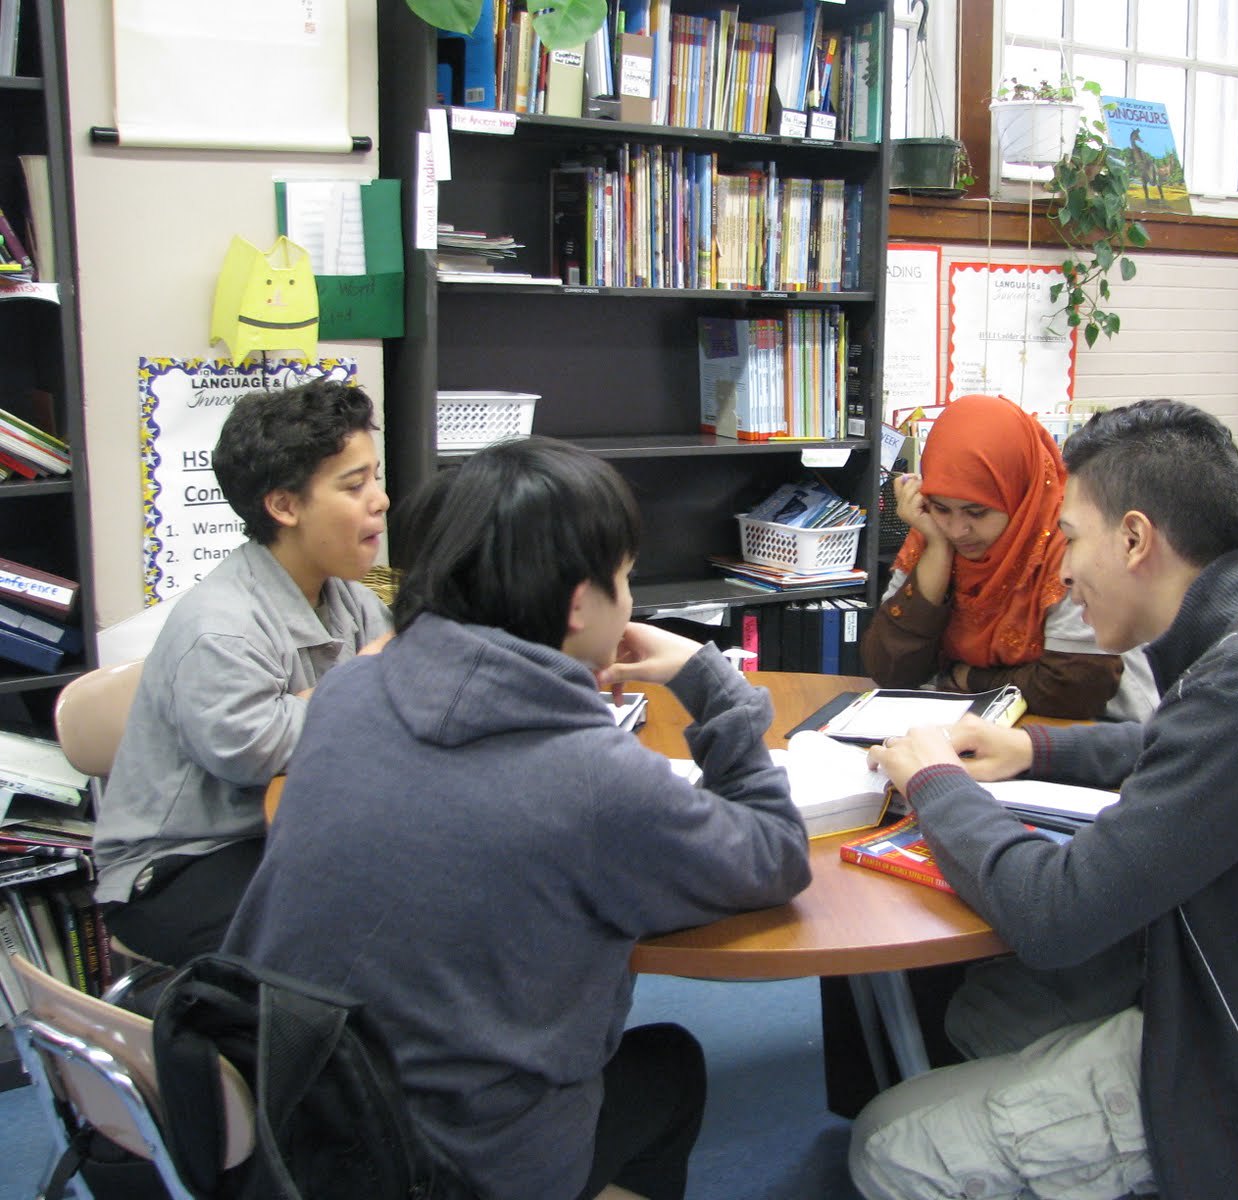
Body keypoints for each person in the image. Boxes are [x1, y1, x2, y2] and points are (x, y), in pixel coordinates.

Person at [850, 400, 1238, 1200]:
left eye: (1071, 538)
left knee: (888, 1142)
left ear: (1135, 539)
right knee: (985, 1015)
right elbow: (1171, 742)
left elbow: (1054, 914)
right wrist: (1036, 748)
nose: (1062, 570)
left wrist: (934, 780)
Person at [223, 437, 813, 1200]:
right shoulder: (595, 779)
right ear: (579, 603)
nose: (629, 602)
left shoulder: (346, 693)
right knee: (670, 1068)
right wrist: (712, 681)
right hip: (451, 1170)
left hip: (288, 1118)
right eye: (625, 578)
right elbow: (776, 854)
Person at [92, 379, 392, 965]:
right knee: (353, 945)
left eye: (375, 477)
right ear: (284, 506)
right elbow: (253, 749)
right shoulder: (220, 626)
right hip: (184, 863)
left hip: (293, 832)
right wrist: (363, 678)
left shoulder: (351, 598)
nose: (379, 500)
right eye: (354, 485)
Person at [863, 394, 1157, 721]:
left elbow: (1073, 687)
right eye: (942, 508)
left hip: (1098, 731)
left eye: (977, 512)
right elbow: (889, 668)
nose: (958, 530)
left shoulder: (1067, 542)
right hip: (980, 730)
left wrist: (968, 679)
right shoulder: (932, 531)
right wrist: (937, 550)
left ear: (1018, 493)